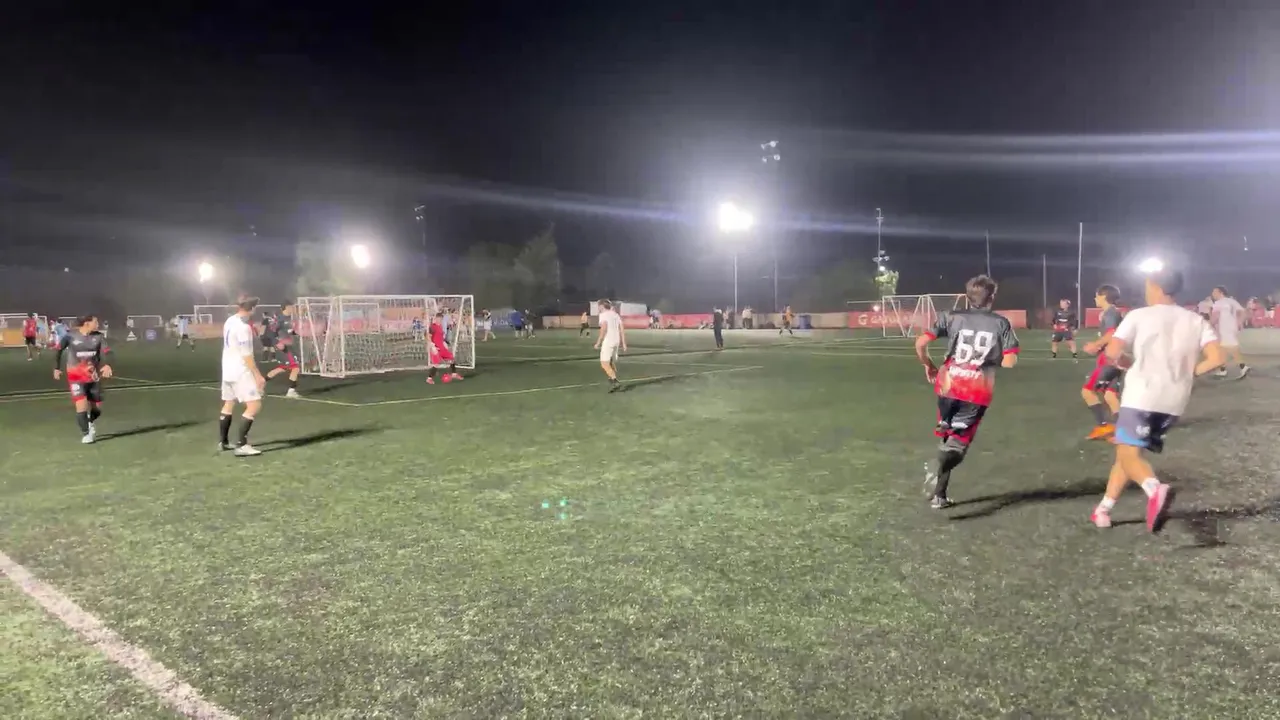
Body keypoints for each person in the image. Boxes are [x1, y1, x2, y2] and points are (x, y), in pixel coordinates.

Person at [1091, 266, 1225, 531]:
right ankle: (1103, 510)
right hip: (1174, 401)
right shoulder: (1195, 320)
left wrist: (1123, 361)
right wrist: (1188, 373)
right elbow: (1217, 358)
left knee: (1128, 454)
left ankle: (1154, 489)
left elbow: (1113, 352)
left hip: (1142, 394)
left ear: (1154, 286)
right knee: (1128, 453)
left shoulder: (1138, 315)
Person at [915, 275, 1020, 509]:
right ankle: (938, 467)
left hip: (947, 385)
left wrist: (928, 365)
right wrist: (993, 359)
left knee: (947, 438)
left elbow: (920, 343)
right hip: (975, 390)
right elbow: (1010, 361)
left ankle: (939, 496)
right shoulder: (1000, 323)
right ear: (992, 297)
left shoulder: (950, 316)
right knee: (957, 447)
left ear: (967, 297)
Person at [53, 315, 113, 444]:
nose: (98, 324)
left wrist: (107, 364)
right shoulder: (70, 336)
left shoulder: (99, 337)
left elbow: (108, 352)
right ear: (87, 323)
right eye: (95, 322)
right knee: (81, 406)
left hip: (93, 377)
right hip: (76, 377)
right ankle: (86, 433)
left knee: (97, 410)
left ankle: (90, 421)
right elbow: (58, 350)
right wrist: (56, 368)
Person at [219, 295, 267, 456]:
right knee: (254, 405)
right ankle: (241, 445)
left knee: (228, 403)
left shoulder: (230, 321)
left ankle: (223, 442)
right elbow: (247, 355)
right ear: (252, 308)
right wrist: (258, 376)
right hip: (240, 371)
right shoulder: (244, 328)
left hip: (227, 369)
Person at [1081, 285, 1124, 440]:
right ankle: (1123, 432)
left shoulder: (1110, 313)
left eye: (1097, 296)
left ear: (1104, 297)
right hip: (1116, 359)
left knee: (1087, 391)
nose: (1095, 298)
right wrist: (1099, 347)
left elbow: (1112, 334)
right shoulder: (1112, 312)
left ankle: (1103, 426)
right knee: (1110, 395)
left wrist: (1095, 344)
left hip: (1109, 360)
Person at [1210, 286, 1249, 378]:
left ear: (1221, 293)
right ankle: (1222, 369)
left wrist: (1209, 324)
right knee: (1222, 348)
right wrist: (1239, 322)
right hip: (1232, 327)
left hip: (1224, 328)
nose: (1213, 294)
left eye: (1214, 292)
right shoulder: (1232, 301)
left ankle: (1243, 366)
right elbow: (1242, 312)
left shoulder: (1218, 303)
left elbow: (1215, 317)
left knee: (1231, 347)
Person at [264, 301, 302, 398]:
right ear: (287, 307)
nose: (293, 309)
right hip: (283, 347)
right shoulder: (278, 318)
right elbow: (270, 333)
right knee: (296, 367)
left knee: (282, 368)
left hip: (288, 346)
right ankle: (291, 391)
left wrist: (296, 333)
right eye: (292, 307)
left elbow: (287, 331)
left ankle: (260, 384)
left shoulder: (290, 318)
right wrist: (277, 343)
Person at [593, 299, 626, 392]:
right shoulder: (615, 314)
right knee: (610, 362)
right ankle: (612, 379)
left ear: (601, 306)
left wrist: (598, 343)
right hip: (616, 341)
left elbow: (604, 328)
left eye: (598, 306)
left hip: (609, 341)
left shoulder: (603, 315)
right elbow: (621, 328)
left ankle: (614, 381)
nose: (598, 308)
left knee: (604, 363)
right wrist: (623, 343)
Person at [425, 311, 464, 385]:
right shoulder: (433, 326)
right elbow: (428, 336)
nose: (439, 320)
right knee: (436, 364)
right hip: (436, 349)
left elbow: (439, 337)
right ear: (435, 318)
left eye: (440, 319)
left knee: (452, 359)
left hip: (442, 348)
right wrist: (432, 346)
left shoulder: (440, 326)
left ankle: (454, 374)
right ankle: (429, 379)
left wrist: (444, 342)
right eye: (438, 319)